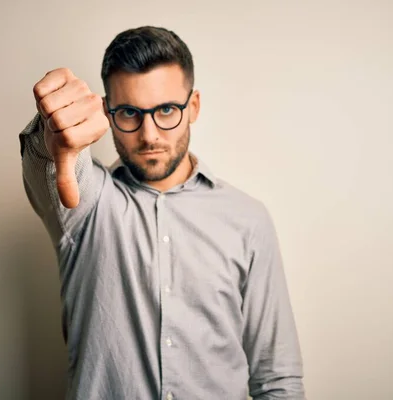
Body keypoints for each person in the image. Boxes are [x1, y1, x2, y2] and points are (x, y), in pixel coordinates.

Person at [19, 26, 305, 400]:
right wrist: (51, 130)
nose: (149, 134)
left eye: (167, 109)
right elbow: (48, 164)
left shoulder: (247, 220)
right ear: (107, 111)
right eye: (129, 113)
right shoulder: (87, 206)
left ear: (194, 107)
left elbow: (277, 379)